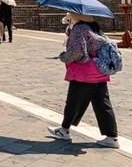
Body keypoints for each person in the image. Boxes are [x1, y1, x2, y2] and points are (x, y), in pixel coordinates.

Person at [48, 13, 121, 149]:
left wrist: (63, 57)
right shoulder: (94, 28)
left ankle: (64, 130)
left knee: (73, 101)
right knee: (102, 104)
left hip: (85, 72)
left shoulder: (79, 29)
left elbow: (77, 52)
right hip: (99, 70)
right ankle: (112, 137)